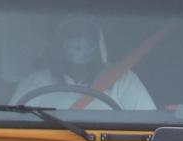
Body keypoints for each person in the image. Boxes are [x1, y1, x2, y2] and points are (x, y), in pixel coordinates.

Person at [10, 14, 155, 112]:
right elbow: (13, 125)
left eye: (87, 35)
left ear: (99, 44)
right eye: (73, 34)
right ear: (60, 42)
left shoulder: (122, 79)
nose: (80, 42)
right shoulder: (36, 81)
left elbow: (148, 123)